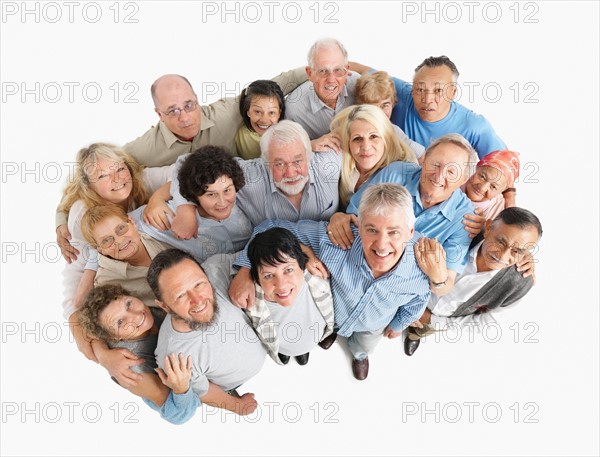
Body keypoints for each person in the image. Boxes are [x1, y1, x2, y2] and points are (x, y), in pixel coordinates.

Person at [56, 68, 308, 262]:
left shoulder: (226, 112)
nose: (185, 117)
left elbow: (279, 84)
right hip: (206, 221)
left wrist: (341, 66)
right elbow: (89, 177)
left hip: (243, 187)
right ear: (159, 114)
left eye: (189, 105)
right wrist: (60, 221)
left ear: (197, 99)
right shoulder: (143, 149)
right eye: (173, 111)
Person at [231, 184, 431, 380]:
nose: (381, 244)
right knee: (326, 329)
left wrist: (397, 325)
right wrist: (246, 268)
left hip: (373, 326)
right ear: (359, 227)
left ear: (410, 232)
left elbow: (419, 301)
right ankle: (328, 334)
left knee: (364, 345)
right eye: (371, 230)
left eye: (393, 232)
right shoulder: (334, 240)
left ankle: (359, 355)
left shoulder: (419, 269)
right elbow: (267, 230)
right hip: (332, 315)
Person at [59, 143, 171, 363]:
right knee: (116, 321)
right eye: (103, 176)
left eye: (119, 169)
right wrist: (94, 347)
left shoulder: (141, 179)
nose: (117, 178)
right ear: (89, 186)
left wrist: (157, 198)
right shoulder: (83, 216)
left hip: (154, 257)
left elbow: (180, 173)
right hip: (129, 283)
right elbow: (74, 275)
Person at [329, 133, 478, 296]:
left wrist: (438, 279)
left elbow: (445, 285)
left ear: (464, 179)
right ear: (425, 159)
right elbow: (352, 216)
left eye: (451, 171)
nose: (439, 176)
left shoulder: (465, 218)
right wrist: (338, 217)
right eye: (435, 164)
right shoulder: (395, 173)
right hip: (356, 262)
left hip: (395, 291)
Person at [167, 120, 341, 240]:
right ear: (265, 161)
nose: (290, 173)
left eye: (297, 161)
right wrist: (185, 209)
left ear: (308, 155)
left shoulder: (327, 162)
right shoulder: (249, 174)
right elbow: (185, 162)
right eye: (279, 164)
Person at [404, 207, 542, 356]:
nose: (502, 256)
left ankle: (415, 333)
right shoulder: (463, 232)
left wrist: (430, 320)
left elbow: (485, 324)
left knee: (422, 329)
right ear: (488, 228)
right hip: (409, 293)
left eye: (517, 251)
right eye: (500, 242)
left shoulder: (519, 284)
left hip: (443, 318)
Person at [148, 249, 266, 415]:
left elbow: (258, 248)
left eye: (199, 284)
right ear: (164, 306)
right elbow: (204, 391)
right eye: (181, 295)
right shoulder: (173, 357)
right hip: (238, 382)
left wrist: (245, 272)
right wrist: (236, 406)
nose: (197, 300)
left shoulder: (216, 269)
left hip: (270, 343)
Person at [79, 284, 199, 424]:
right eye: (120, 321)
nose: (135, 316)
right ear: (114, 338)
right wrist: (181, 389)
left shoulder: (154, 309)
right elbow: (178, 416)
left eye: (129, 304)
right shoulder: (132, 370)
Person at [350, 56, 506, 160]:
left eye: (438, 90)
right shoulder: (404, 92)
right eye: (420, 90)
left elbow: (504, 162)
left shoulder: (474, 126)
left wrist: (509, 197)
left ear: (453, 92)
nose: (427, 99)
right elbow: (364, 70)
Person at [131, 146, 253, 260]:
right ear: (194, 194)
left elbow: (185, 160)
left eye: (227, 190)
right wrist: (155, 200)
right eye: (211, 194)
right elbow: (125, 223)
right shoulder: (171, 216)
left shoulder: (243, 200)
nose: (222, 202)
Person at [246, 227, 335, 366]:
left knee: (303, 349)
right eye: (269, 276)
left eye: (288, 270)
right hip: (282, 345)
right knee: (286, 350)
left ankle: (302, 351)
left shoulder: (316, 279)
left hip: (313, 338)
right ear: (257, 278)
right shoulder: (252, 305)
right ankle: (286, 352)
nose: (281, 285)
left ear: (302, 265)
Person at [80, 205, 174, 308]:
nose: (119, 240)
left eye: (121, 228)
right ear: (100, 250)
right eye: (106, 240)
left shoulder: (156, 229)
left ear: (132, 222)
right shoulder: (106, 282)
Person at [330, 104, 416, 209]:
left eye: (374, 136)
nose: (366, 147)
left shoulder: (402, 171)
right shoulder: (340, 160)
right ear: (348, 143)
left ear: (386, 139)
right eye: (357, 138)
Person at [285, 38, 359, 142]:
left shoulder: (358, 85)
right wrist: (311, 145)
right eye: (323, 71)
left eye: (337, 70)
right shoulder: (294, 109)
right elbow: (288, 148)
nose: (331, 80)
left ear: (347, 70)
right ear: (310, 73)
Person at [354, 71, 425, 159]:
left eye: (385, 105)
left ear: (393, 103)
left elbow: (422, 156)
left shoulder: (393, 131)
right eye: (373, 107)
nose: (380, 113)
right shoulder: (354, 129)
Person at [462, 149, 520, 222]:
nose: (482, 188)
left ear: (501, 191)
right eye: (482, 177)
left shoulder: (498, 211)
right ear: (476, 168)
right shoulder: (457, 180)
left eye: (493, 186)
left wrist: (482, 229)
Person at [235, 80, 285, 159]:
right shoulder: (240, 135)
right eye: (257, 112)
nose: (264, 120)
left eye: (271, 112)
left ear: (279, 113)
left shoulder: (287, 135)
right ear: (248, 111)